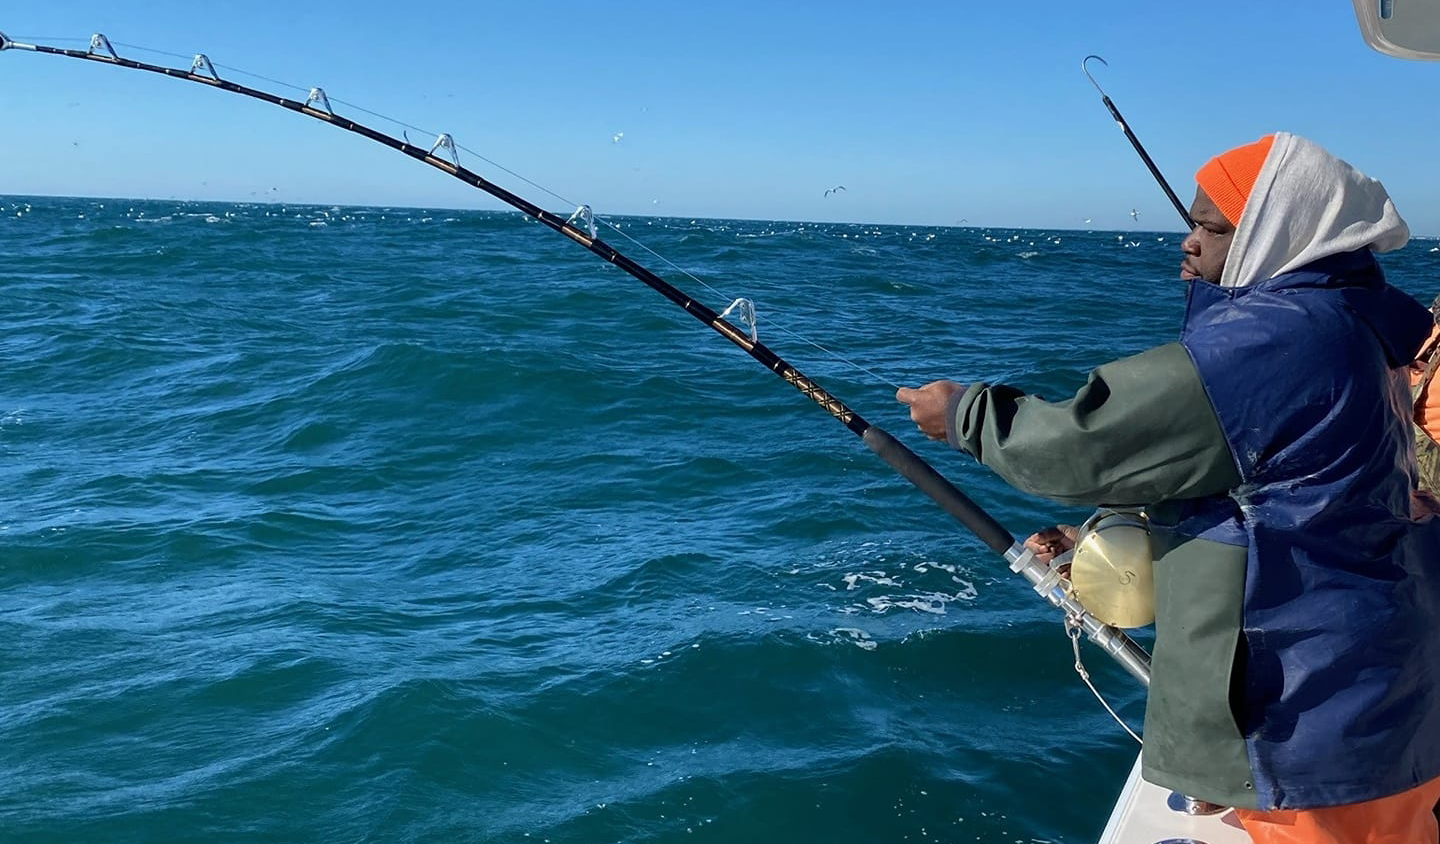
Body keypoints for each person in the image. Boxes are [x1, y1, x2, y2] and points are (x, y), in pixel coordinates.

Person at [897, 133, 1440, 844]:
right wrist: (1113, 533)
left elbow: (1081, 446)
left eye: (1210, 228)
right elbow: (1284, 489)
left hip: (1311, 709)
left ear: (1276, 235)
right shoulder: (1355, 322)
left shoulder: (1274, 338)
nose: (1187, 243)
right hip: (1374, 683)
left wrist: (966, 415)